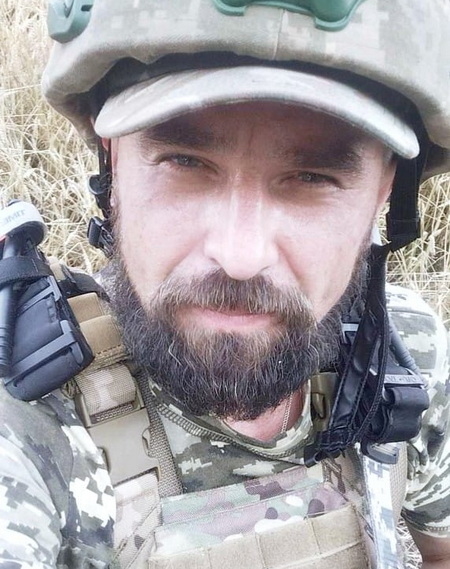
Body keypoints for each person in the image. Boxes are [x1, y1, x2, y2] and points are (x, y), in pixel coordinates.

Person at [1, 0, 450, 567]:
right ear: (111, 166)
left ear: (385, 191)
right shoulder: (30, 414)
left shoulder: (406, 357)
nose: (241, 256)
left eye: (313, 176)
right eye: (184, 161)